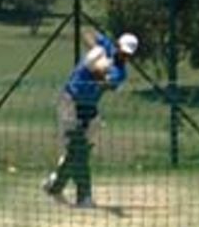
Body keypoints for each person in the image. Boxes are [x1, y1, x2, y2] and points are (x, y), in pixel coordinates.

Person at [43, 30, 139, 209]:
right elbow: (87, 33)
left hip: (89, 107)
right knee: (78, 148)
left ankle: (55, 185)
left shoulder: (120, 73)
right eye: (122, 51)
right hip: (70, 101)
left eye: (128, 55)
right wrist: (96, 51)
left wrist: (97, 66)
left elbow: (104, 82)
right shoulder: (106, 48)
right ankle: (83, 196)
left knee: (80, 150)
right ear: (117, 45)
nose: (124, 56)